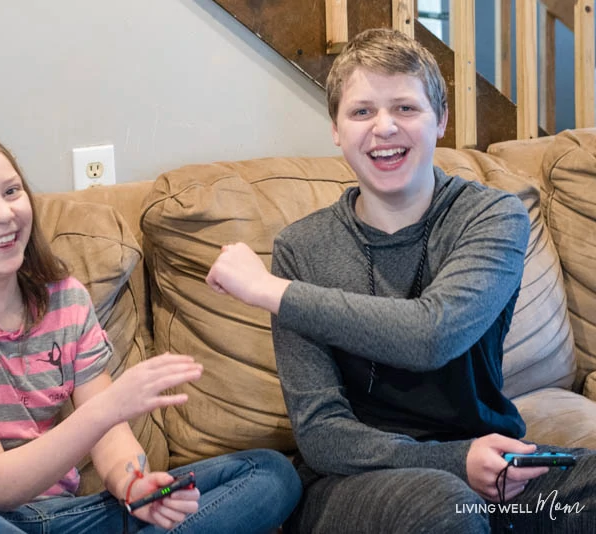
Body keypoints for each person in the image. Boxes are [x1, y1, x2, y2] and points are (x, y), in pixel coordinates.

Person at [206, 28, 596, 533]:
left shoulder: (492, 216)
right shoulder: (301, 249)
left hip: (496, 466)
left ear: (441, 121)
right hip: (357, 481)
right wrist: (454, 463)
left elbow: (433, 335)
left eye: (406, 109)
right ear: (336, 129)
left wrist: (268, 291)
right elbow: (322, 433)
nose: (384, 127)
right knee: (447, 504)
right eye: (362, 111)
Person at [0, 127, 301, 534]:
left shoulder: (64, 299)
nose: (4, 213)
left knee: (269, 473)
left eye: (11, 191)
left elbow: (112, 437)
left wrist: (133, 485)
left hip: (67, 518)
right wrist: (109, 408)